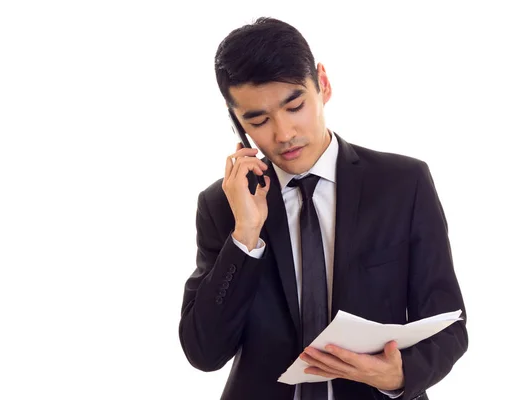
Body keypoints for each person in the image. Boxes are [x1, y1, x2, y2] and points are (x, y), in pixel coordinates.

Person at [178, 17, 468, 400]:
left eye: (295, 106)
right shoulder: (223, 205)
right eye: (258, 120)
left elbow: (449, 325)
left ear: (323, 85)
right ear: (237, 124)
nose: (284, 134)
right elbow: (204, 352)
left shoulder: (403, 184)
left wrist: (401, 375)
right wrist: (245, 236)